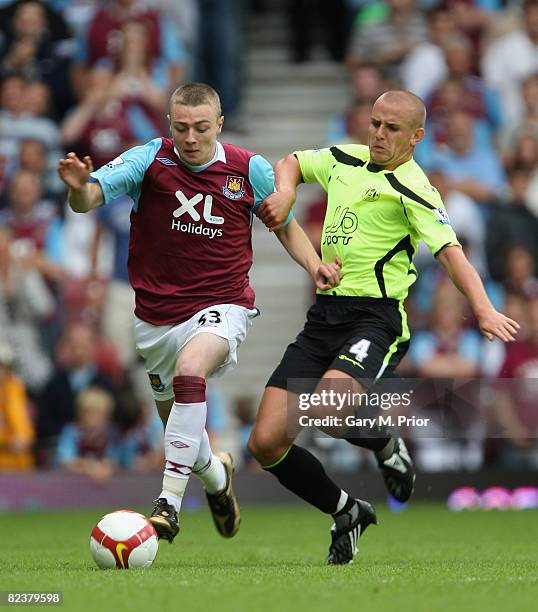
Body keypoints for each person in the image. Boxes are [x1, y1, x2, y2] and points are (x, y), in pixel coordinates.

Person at [58, 82, 340, 545]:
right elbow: (88, 197)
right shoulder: (150, 159)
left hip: (222, 305)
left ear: (220, 125)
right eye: (182, 127)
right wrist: (76, 189)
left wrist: (315, 266)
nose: (191, 138)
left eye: (202, 128)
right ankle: (216, 478)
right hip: (154, 318)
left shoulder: (250, 170)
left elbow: (285, 226)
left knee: (193, 371)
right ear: (170, 124)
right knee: (177, 422)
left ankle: (168, 500)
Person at [248, 90, 520, 565]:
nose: (378, 134)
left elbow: (451, 252)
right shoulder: (342, 159)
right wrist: (287, 190)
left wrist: (482, 308)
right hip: (324, 316)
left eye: (392, 128)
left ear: (416, 137)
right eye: (375, 123)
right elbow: (290, 161)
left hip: (375, 319)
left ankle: (385, 442)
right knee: (266, 443)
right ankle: (346, 511)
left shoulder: (415, 187)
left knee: (328, 413)